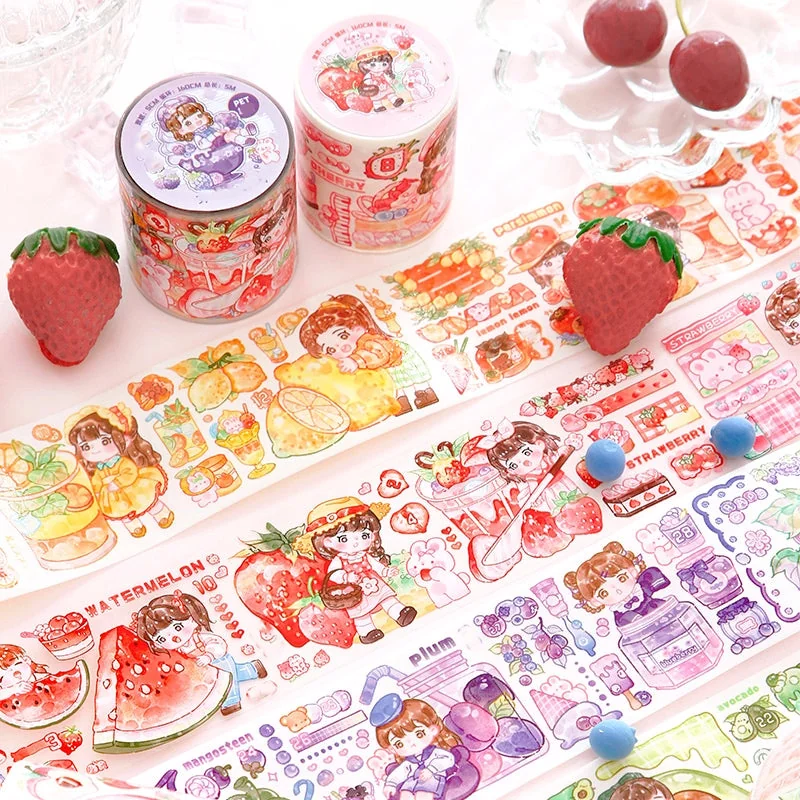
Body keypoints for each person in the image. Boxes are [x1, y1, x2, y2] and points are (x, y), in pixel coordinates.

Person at [299, 294, 438, 414]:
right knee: (395, 387)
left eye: (343, 336)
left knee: (413, 381)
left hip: (398, 361)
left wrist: (356, 361)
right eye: (331, 350)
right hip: (384, 369)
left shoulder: (371, 341)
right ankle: (401, 402)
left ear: (359, 328)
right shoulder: (354, 354)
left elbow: (377, 353)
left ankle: (426, 394)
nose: (341, 347)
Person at [135, 591, 266, 715]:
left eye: (178, 627)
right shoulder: (179, 650)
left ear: (192, 619)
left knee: (228, 683)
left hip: (219, 661)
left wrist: (209, 656)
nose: (174, 638)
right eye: (162, 639)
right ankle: (253, 669)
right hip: (206, 669)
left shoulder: (199, 638)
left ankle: (231, 702)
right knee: (235, 674)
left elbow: (218, 644)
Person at [309, 497, 416, 644]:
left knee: (387, 598)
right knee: (360, 612)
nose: (356, 542)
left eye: (364, 535)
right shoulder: (339, 560)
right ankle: (367, 632)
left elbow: (376, 565)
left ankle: (400, 613)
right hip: (353, 589)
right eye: (344, 539)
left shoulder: (364, 555)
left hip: (374, 582)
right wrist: (346, 577)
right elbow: (333, 574)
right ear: (327, 542)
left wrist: (385, 572)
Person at [65, 404, 173, 538]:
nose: (95, 450)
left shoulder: (123, 461)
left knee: (148, 500)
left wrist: (117, 483)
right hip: (113, 496)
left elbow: (130, 472)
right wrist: (97, 491)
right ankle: (135, 526)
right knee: (121, 511)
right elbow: (97, 481)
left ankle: (161, 513)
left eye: (105, 441)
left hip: (132, 488)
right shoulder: (99, 469)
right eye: (86, 447)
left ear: (121, 438)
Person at [372, 695, 462, 800]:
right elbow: (400, 772)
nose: (411, 743)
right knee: (405, 794)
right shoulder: (409, 762)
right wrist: (390, 784)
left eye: (419, 734)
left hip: (432, 779)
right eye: (399, 744)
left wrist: (431, 769)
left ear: (432, 730)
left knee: (422, 795)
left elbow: (448, 759)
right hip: (412, 782)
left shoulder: (434, 752)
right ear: (392, 749)